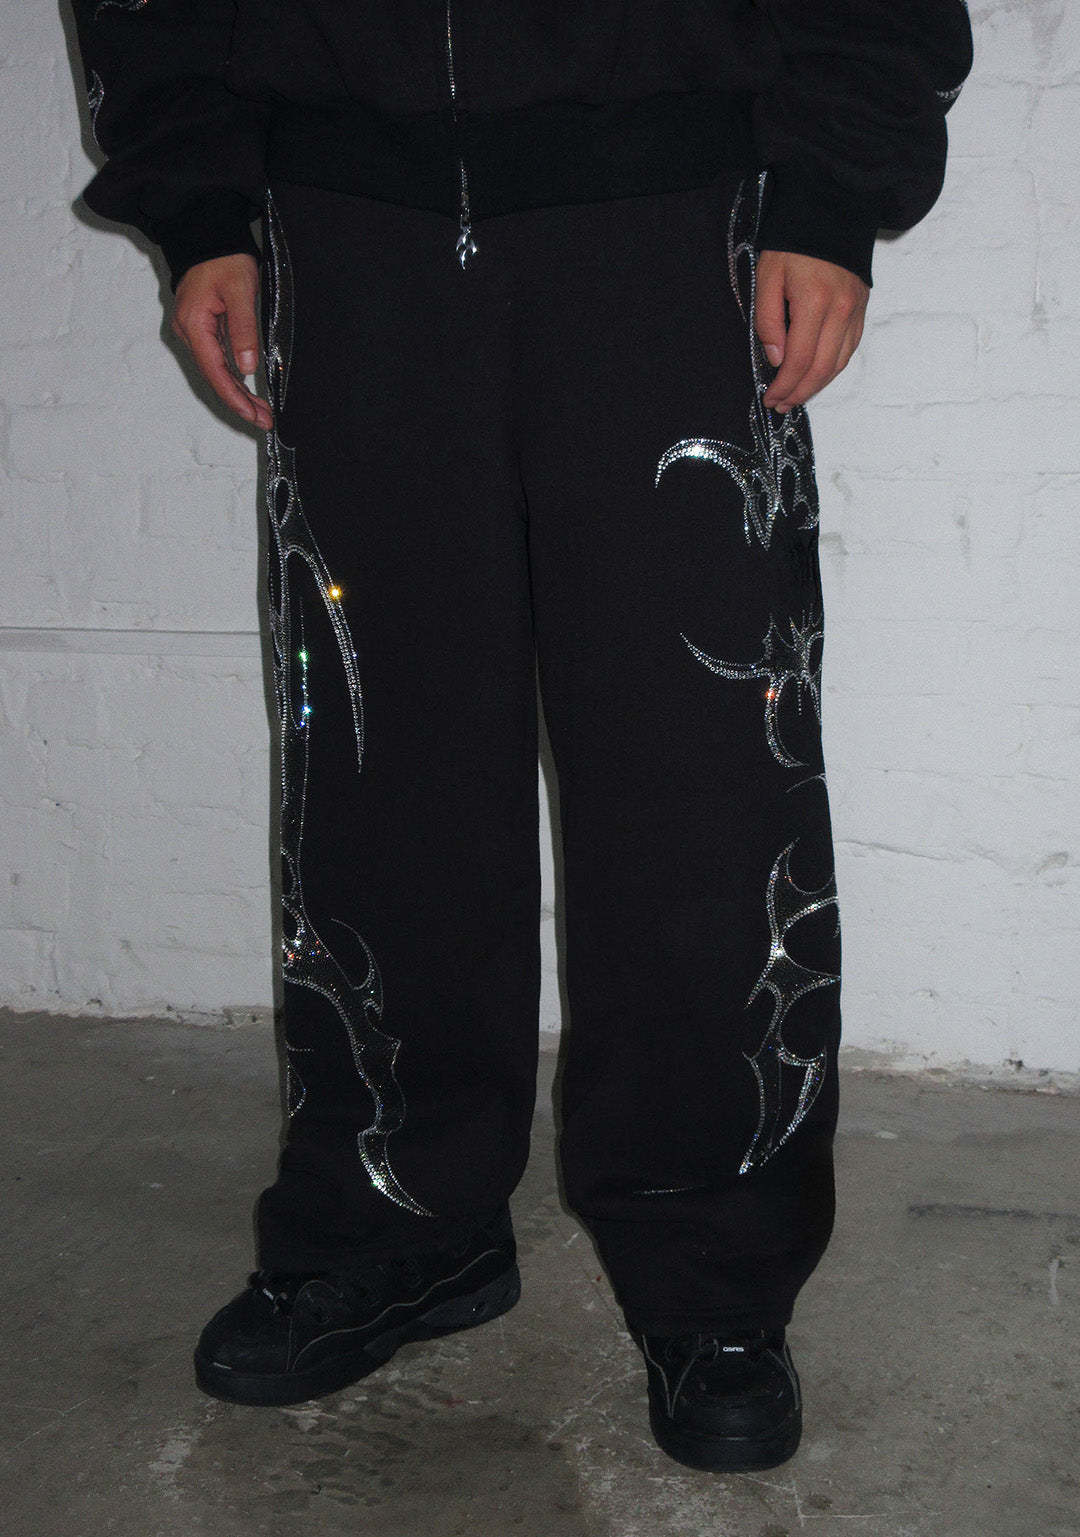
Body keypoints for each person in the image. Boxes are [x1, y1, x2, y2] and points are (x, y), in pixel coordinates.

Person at [69, 0, 973, 1474]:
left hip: (674, 213)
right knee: (379, 766)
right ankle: (397, 1219)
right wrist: (201, 200)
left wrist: (830, 187)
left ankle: (713, 1271)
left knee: (697, 779)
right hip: (340, 219)